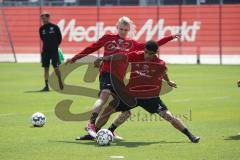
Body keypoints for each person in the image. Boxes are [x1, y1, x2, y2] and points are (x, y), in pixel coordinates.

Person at [67, 16, 180, 139]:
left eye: (126, 30)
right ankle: (91, 124)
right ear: (117, 28)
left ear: (129, 30)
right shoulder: (108, 38)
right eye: (121, 29)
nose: (123, 32)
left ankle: (110, 131)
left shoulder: (132, 43)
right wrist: (75, 58)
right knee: (104, 96)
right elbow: (91, 48)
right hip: (107, 73)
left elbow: (153, 45)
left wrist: (170, 37)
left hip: (119, 80)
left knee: (125, 111)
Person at [85, 40, 200, 143]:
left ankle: (191, 136)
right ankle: (94, 133)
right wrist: (102, 59)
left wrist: (169, 81)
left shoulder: (160, 64)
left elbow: (163, 72)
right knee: (108, 111)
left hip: (150, 97)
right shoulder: (135, 56)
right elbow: (119, 57)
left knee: (168, 116)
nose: (147, 55)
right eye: (146, 52)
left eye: (150, 54)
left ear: (156, 53)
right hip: (131, 95)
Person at [39, 11, 63, 91]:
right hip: (45, 51)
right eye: (42, 18)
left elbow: (59, 38)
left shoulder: (55, 27)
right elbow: (42, 38)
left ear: (48, 17)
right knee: (46, 68)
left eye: (44, 17)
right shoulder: (41, 29)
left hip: (54, 51)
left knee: (56, 67)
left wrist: (55, 46)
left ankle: (60, 80)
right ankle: (46, 86)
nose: (43, 19)